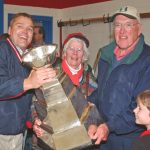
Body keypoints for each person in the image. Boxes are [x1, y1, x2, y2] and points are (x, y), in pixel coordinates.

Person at [87, 5, 150, 150]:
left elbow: (141, 105)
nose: (122, 31)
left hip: (130, 140)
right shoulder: (105, 55)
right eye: (117, 25)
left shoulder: (147, 60)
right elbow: (99, 92)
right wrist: (90, 117)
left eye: (128, 25)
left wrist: (109, 126)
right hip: (101, 134)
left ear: (138, 29)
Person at [33, 32, 106, 149]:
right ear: (65, 52)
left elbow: (96, 107)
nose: (75, 53)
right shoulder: (51, 73)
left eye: (79, 50)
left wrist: (94, 124)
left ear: (84, 55)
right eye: (71, 48)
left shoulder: (90, 79)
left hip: (82, 141)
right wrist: (35, 121)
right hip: (51, 141)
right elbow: (34, 103)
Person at [0, 12, 56, 150]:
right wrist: (28, 83)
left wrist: (33, 120)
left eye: (30, 29)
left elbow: (26, 98)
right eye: (20, 26)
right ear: (9, 30)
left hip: (17, 131)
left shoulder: (26, 57)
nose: (25, 32)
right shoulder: (2, 49)